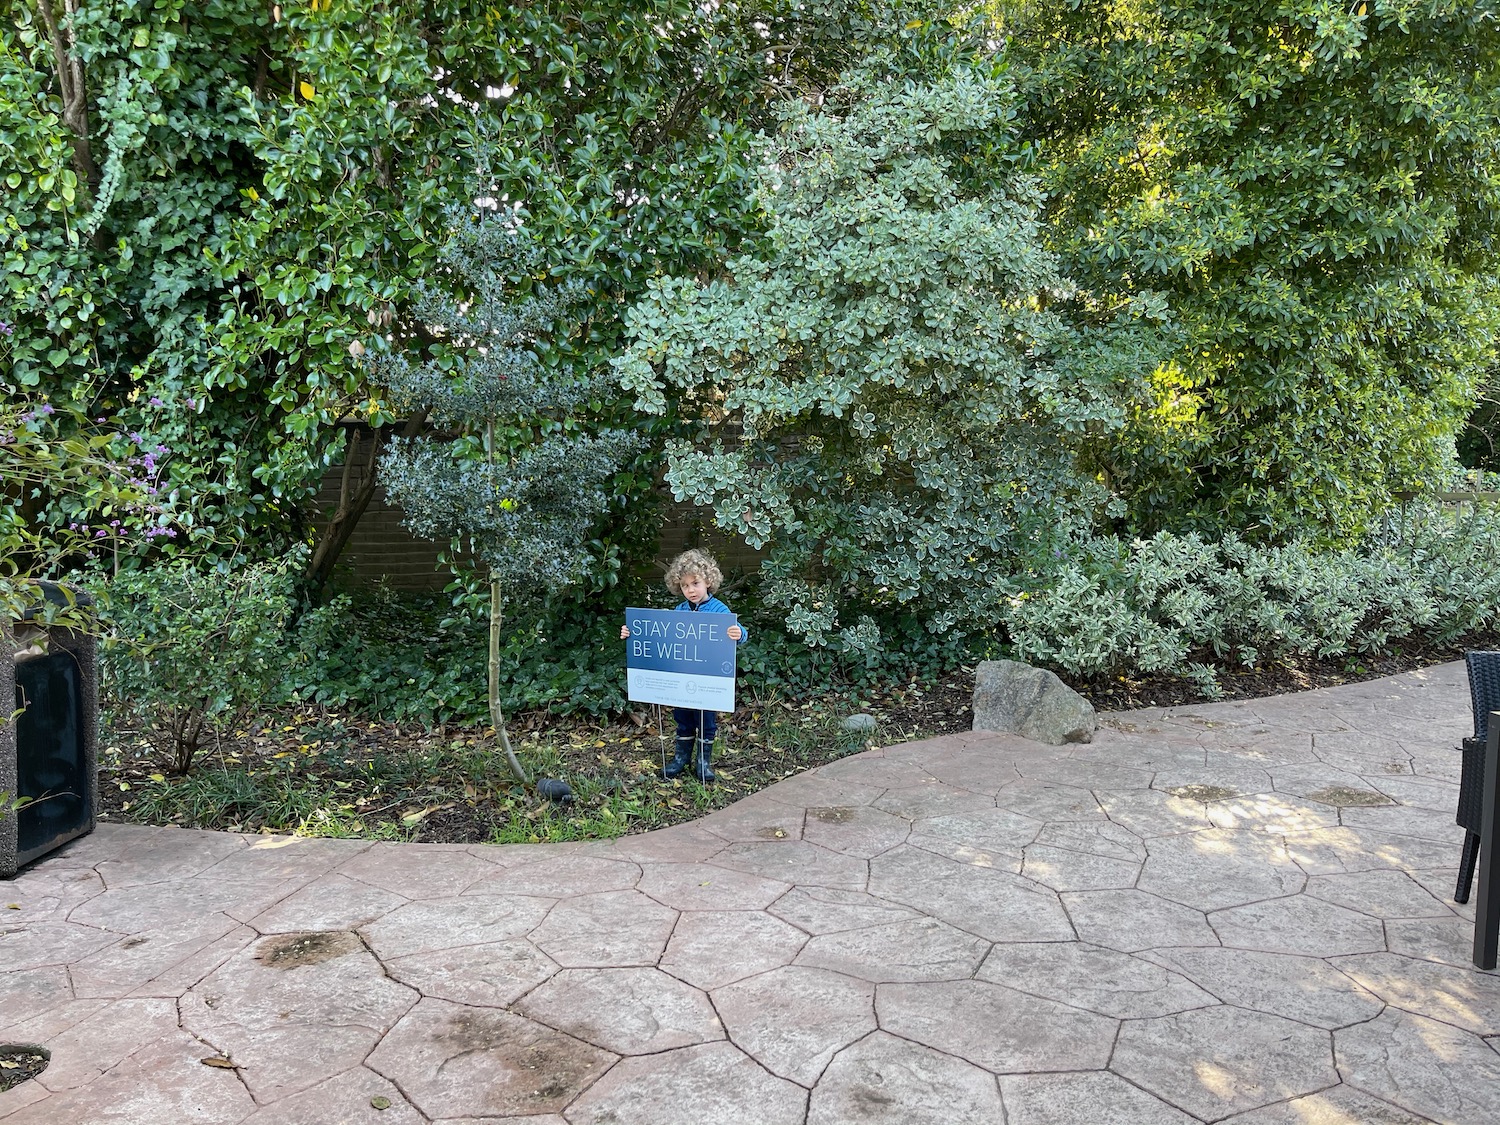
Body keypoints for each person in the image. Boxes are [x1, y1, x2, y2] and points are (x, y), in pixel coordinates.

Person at [621, 549, 745, 782]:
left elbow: (739, 634)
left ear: (708, 580)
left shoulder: (719, 610)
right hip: (681, 679)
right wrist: (633, 633)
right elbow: (659, 638)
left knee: (706, 722)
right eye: (685, 585)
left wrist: (738, 633)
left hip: (708, 679)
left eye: (695, 583)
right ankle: (681, 759)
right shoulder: (679, 612)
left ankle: (703, 762)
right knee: (683, 719)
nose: (690, 590)